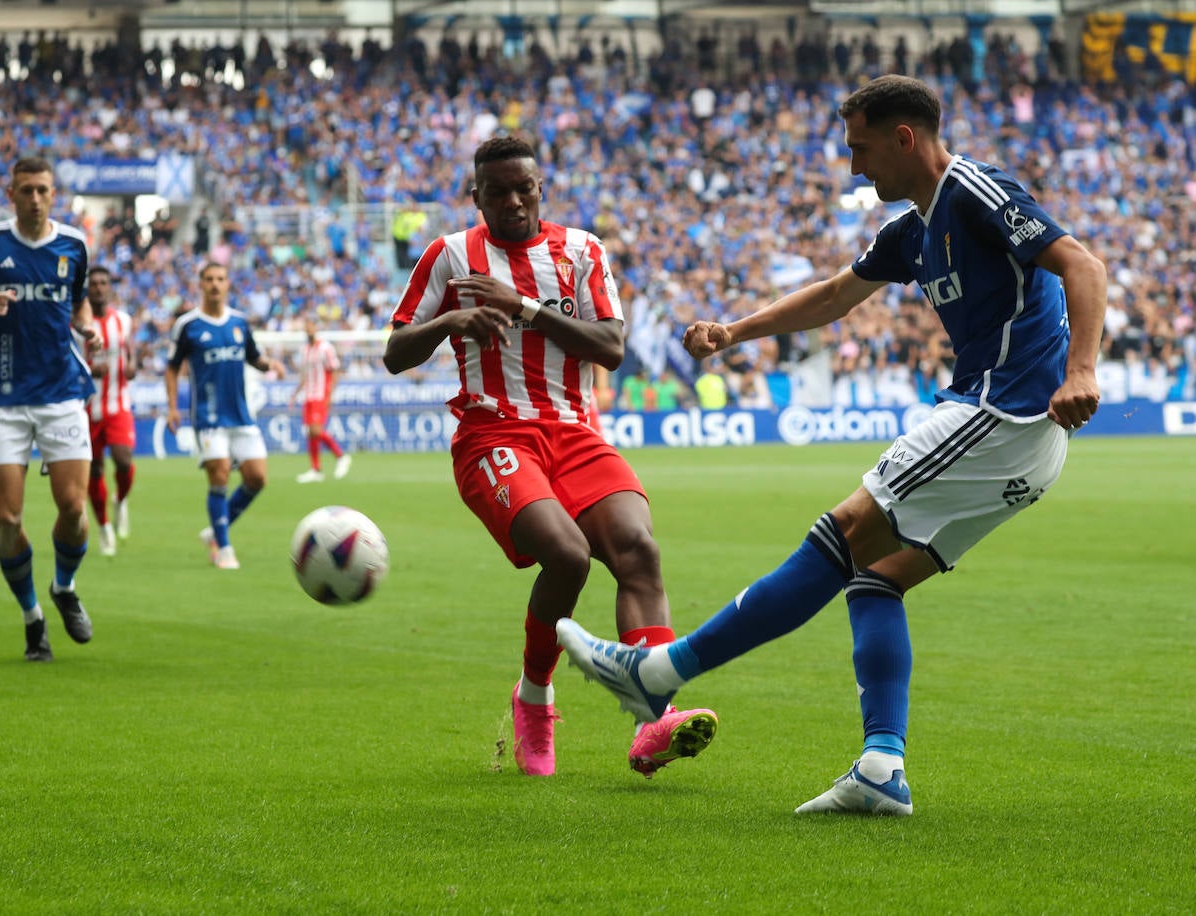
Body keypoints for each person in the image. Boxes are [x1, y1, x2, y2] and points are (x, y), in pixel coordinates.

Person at [556, 75, 1106, 814]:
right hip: (1019, 443)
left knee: (844, 531)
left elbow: (1083, 263)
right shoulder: (913, 231)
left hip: (1001, 412)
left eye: (862, 148)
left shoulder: (975, 191)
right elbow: (835, 295)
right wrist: (735, 331)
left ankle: (658, 672)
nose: (854, 166)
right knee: (877, 576)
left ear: (904, 138)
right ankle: (882, 768)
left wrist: (1081, 371)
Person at [382, 136, 718, 778]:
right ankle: (534, 697)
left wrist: (526, 310)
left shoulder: (582, 250)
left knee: (638, 550)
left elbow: (611, 347)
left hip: (575, 431)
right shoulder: (450, 256)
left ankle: (656, 721)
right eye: (498, 191)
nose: (513, 201)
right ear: (475, 197)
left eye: (524, 189)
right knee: (566, 556)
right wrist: (453, 322)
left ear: (541, 189)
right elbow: (396, 352)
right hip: (494, 433)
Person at [0, 155, 101, 662]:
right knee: (9, 518)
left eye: (43, 190)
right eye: (26, 190)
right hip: (5, 398)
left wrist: (87, 325)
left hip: (62, 393)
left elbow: (77, 303)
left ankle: (64, 586)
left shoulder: (74, 245)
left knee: (74, 509)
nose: (35, 198)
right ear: (11, 194)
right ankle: (33, 619)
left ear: (54, 194)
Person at [164, 262, 282, 570]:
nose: (215, 284)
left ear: (228, 284)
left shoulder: (240, 323)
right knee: (219, 475)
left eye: (220, 279)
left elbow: (254, 358)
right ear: (200, 284)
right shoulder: (188, 325)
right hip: (209, 416)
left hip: (241, 416)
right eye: (209, 279)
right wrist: (173, 406)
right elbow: (172, 367)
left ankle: (215, 529)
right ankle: (224, 547)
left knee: (257, 479)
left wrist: (271, 366)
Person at [84, 266, 136, 556]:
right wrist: (90, 369)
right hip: (88, 409)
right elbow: (69, 362)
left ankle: (121, 499)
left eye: (104, 283)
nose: (100, 288)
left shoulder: (123, 321)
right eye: (94, 284)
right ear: (87, 289)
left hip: (119, 404)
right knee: (94, 469)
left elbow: (131, 350)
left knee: (124, 460)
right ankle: (104, 527)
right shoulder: (78, 324)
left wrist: (132, 365)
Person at [291, 315, 352, 483]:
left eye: (310, 325)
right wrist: (295, 394)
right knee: (310, 433)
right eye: (306, 326)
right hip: (308, 395)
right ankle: (316, 469)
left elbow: (334, 371)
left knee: (316, 430)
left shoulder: (325, 348)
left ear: (315, 328)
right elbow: (305, 375)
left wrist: (330, 395)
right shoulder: (304, 350)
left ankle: (341, 456)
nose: (308, 329)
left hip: (320, 394)